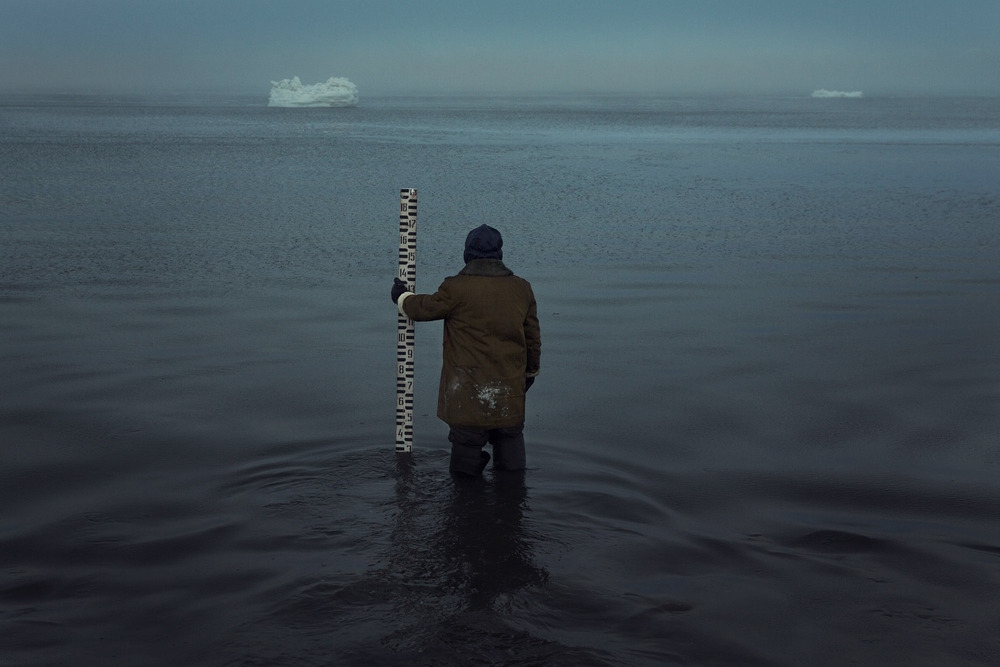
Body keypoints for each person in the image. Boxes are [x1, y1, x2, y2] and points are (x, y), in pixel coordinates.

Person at [391, 224, 541, 476]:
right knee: (513, 469)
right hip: (509, 396)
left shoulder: (455, 288)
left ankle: (467, 508)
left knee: (463, 477)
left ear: (467, 254)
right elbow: (532, 338)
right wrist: (529, 374)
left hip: (466, 399)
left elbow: (423, 308)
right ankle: (513, 508)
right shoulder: (521, 288)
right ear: (499, 254)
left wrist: (402, 297)